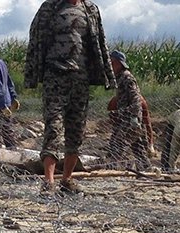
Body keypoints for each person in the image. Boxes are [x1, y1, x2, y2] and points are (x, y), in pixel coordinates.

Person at [25, 0, 115, 193]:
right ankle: (48, 182)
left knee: (76, 130)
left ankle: (67, 180)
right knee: (53, 128)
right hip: (55, 76)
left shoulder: (90, 10)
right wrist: (34, 73)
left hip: (80, 80)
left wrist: (106, 75)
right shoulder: (50, 7)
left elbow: (99, 42)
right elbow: (37, 38)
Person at [106, 50, 154, 171]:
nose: (110, 66)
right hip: (125, 118)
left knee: (116, 145)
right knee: (138, 149)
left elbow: (136, 99)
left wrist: (134, 118)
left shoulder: (127, 77)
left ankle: (112, 170)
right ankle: (147, 170)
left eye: (111, 63)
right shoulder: (120, 77)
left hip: (129, 120)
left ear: (117, 63)